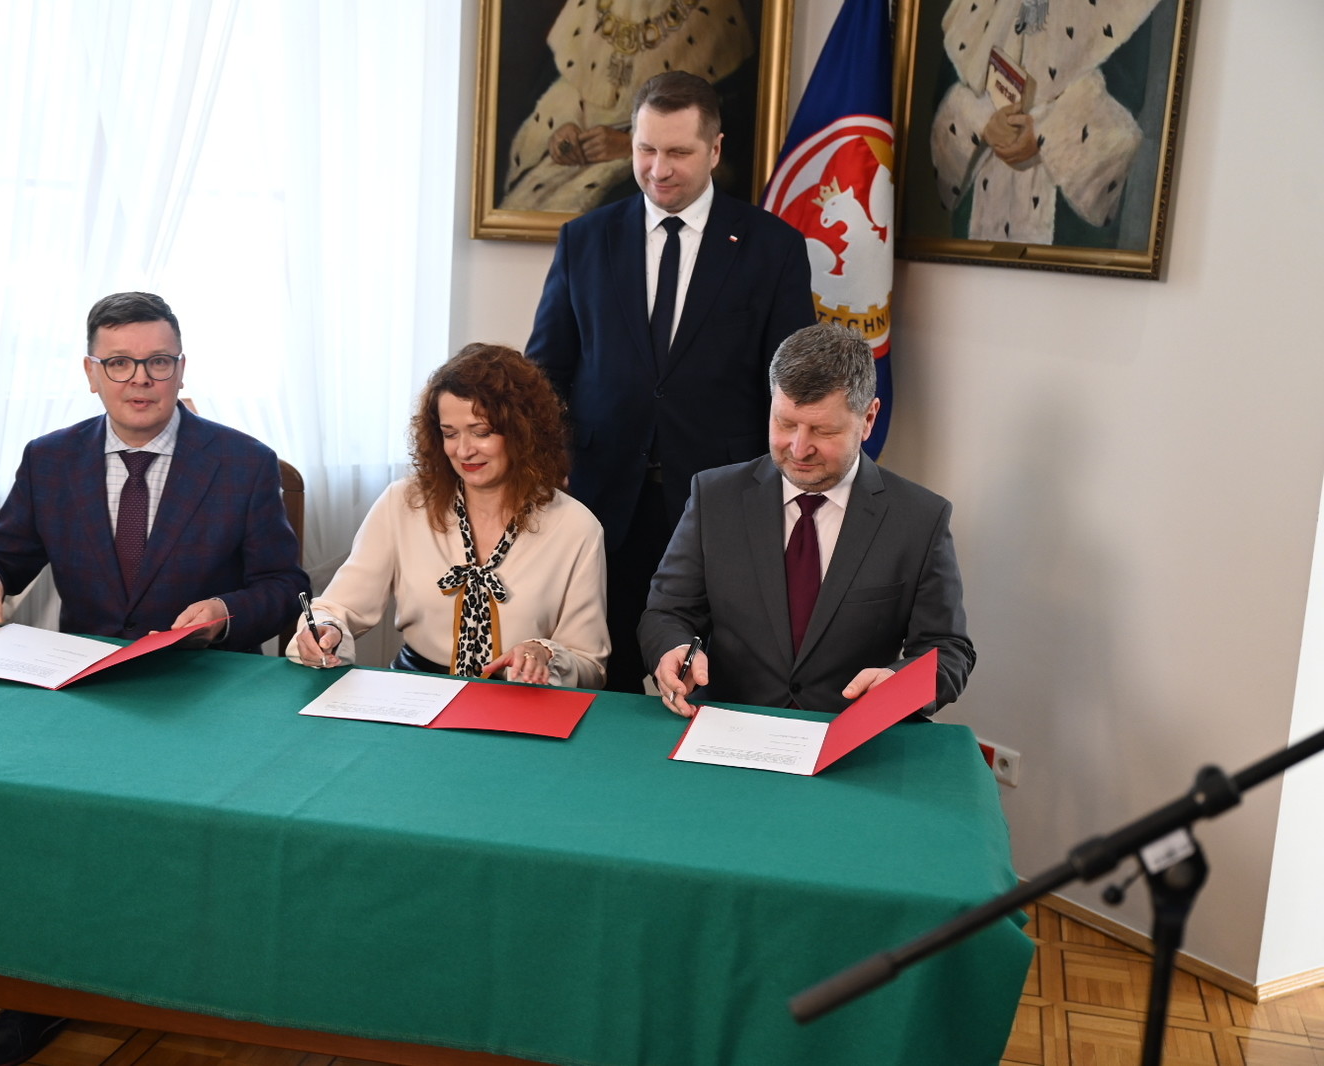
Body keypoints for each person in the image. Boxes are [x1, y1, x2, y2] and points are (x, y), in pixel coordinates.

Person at [0, 291, 308, 1066]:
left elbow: (286, 588)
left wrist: (225, 613)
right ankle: (38, 990)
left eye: (157, 361)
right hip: (89, 691)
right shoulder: (50, 459)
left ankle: (211, 984)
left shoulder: (243, 463)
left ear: (182, 368)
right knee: (37, 828)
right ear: (91, 372)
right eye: (119, 363)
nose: (139, 379)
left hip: (209, 693)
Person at [526, 70, 816, 692]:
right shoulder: (585, 239)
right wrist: (549, 463)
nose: (658, 169)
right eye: (645, 149)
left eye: (678, 152)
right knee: (606, 677)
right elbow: (546, 372)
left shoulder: (773, 248)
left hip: (720, 501)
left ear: (714, 149)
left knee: (708, 680)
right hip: (603, 499)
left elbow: (792, 385)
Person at [639, 322, 973, 717]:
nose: (799, 448)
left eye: (822, 430)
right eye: (785, 423)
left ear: (868, 419)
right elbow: (667, 613)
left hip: (850, 734)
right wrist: (674, 649)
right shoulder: (714, 497)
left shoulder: (920, 518)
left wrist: (899, 684)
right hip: (728, 726)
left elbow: (948, 649)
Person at [287, 344, 608, 689]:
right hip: (415, 693)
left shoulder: (577, 527)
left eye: (481, 432)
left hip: (519, 700)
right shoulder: (403, 503)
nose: (464, 450)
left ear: (523, 431)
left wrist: (544, 653)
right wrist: (325, 628)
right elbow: (337, 607)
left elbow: (590, 665)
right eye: (450, 433)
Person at [928, 0, 1165, 245]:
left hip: (1069, 218)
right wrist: (984, 120)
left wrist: (1047, 132)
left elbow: (1133, 95)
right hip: (979, 197)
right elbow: (947, 88)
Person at [498, 0, 755, 214]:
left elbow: (730, 137)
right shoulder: (588, 6)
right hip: (573, 159)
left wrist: (632, 146)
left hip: (654, 173)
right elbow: (562, 85)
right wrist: (563, 129)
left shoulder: (715, 11)